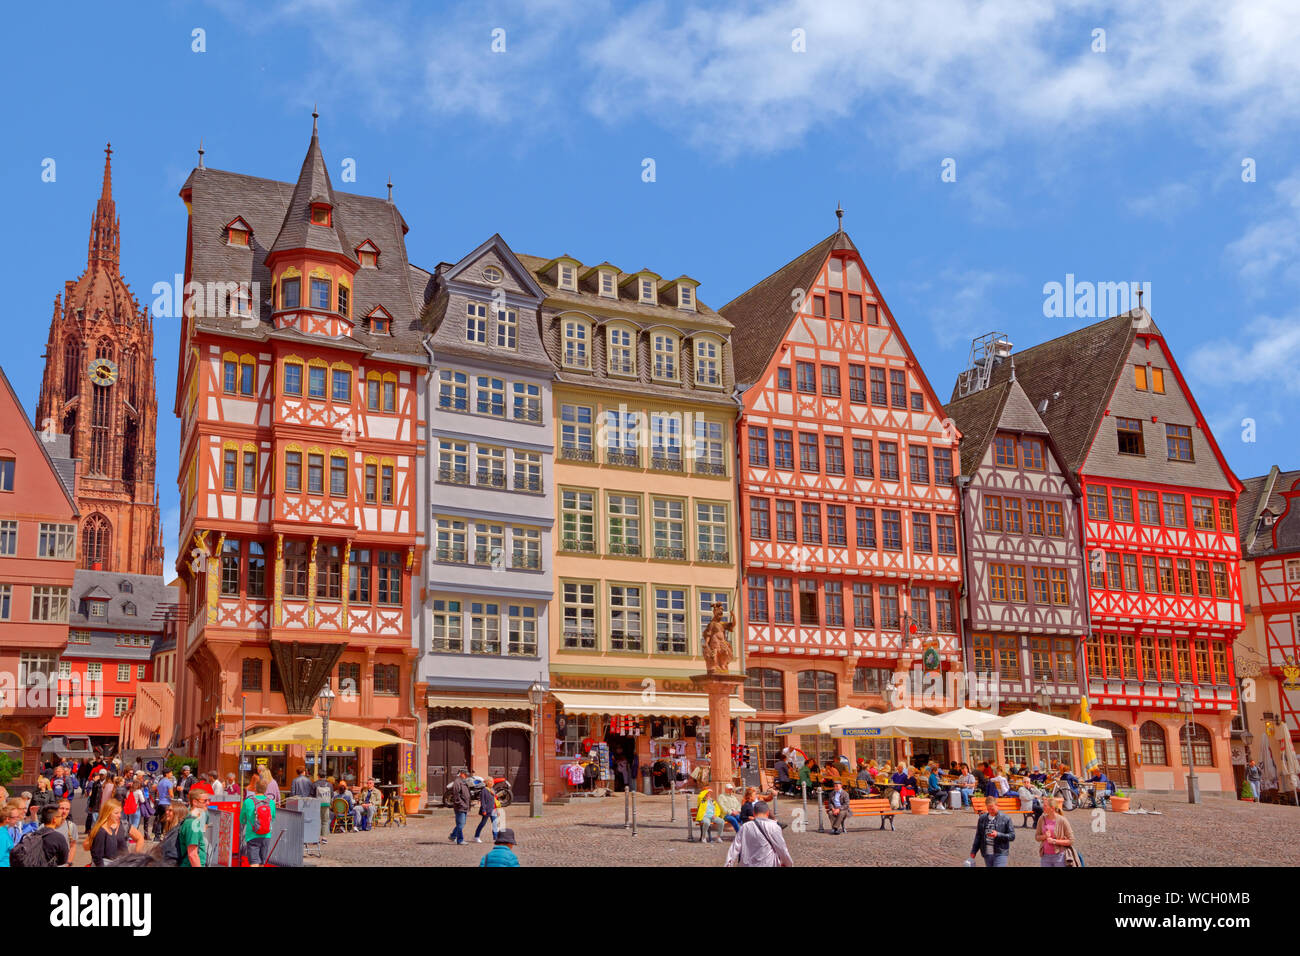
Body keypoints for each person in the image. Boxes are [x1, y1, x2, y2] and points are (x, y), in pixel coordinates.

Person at [725, 801, 792, 867]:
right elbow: (781, 848)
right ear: (768, 813)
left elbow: (735, 847)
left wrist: (729, 864)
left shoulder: (745, 827)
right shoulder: (774, 827)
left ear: (753, 813)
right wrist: (788, 863)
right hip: (768, 863)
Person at [88, 799, 142, 866]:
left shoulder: (121, 826)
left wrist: (134, 857)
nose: (119, 815)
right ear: (107, 813)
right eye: (116, 813)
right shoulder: (101, 831)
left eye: (120, 812)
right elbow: (97, 857)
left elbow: (140, 838)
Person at [970, 795, 1016, 867]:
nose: (990, 811)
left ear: (997, 805)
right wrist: (973, 851)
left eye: (992, 809)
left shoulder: (1006, 818)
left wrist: (998, 834)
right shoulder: (982, 818)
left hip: (1001, 852)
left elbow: (1012, 836)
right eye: (988, 809)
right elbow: (978, 836)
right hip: (987, 853)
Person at [241, 778, 276, 866]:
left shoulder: (248, 801)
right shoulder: (271, 802)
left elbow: (242, 819)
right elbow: (273, 818)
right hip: (266, 835)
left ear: (255, 789)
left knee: (254, 862)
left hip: (252, 835)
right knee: (261, 863)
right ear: (265, 790)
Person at [1035, 796, 1074, 866]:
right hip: (1045, 856)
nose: (1043, 807)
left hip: (1059, 856)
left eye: (1045, 806)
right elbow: (1037, 837)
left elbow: (1071, 840)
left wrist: (1055, 841)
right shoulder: (1041, 819)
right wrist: (1044, 836)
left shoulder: (1062, 820)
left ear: (1052, 808)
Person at [177, 789, 210, 867]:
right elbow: (192, 855)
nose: (208, 803)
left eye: (208, 800)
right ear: (195, 802)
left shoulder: (192, 820)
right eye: (205, 801)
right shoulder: (193, 824)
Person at [472, 779, 499, 843]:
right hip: (487, 810)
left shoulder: (492, 789)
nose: (493, 783)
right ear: (488, 783)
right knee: (482, 823)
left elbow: (495, 801)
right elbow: (483, 801)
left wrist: (497, 810)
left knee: (495, 824)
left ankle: (496, 838)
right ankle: (476, 837)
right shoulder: (484, 790)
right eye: (491, 782)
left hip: (493, 809)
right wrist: (484, 810)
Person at [449, 769, 471, 845]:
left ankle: (453, 835)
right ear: (461, 774)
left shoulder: (463, 782)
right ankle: (460, 840)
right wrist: (462, 804)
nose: (466, 776)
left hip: (464, 807)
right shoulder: (457, 782)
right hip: (460, 807)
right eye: (465, 775)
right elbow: (456, 796)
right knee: (461, 824)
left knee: (462, 823)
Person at [54, 799, 78, 866]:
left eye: (67, 809)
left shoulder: (71, 826)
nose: (64, 811)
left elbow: (73, 846)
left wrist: (68, 863)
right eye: (62, 808)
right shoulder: (45, 826)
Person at [314, 773, 333, 845]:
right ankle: (324, 838)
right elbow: (332, 794)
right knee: (325, 820)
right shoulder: (329, 784)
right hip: (326, 804)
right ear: (325, 776)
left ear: (318, 776)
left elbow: (312, 794)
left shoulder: (315, 784)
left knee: (317, 820)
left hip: (317, 804)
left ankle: (317, 837)